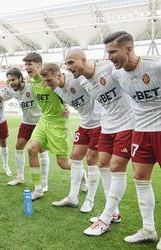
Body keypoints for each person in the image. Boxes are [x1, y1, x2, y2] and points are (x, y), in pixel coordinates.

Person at [64, 48, 135, 236]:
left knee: (116, 166)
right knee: (102, 163)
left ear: (83, 59)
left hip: (127, 123)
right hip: (107, 124)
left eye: (71, 62)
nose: (68, 67)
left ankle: (106, 217)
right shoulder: (80, 80)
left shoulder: (109, 69)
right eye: (66, 64)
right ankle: (115, 213)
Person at [103, 31, 161, 246]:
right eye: (107, 52)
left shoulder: (155, 65)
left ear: (128, 49)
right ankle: (148, 229)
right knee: (140, 178)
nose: (109, 57)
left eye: (113, 52)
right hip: (140, 130)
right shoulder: (116, 74)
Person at [42, 63, 103, 213]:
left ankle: (90, 200)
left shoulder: (76, 80)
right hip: (85, 125)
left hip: (100, 123)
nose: (47, 84)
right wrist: (66, 109)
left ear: (59, 75)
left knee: (91, 160)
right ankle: (72, 197)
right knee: (75, 157)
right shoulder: (56, 89)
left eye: (49, 80)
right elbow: (68, 98)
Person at [23, 53, 73, 201]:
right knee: (31, 149)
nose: (26, 68)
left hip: (58, 123)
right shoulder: (32, 82)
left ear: (39, 65)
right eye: (25, 65)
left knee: (63, 164)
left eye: (29, 64)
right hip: (43, 121)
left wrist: (67, 108)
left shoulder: (52, 79)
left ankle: (81, 174)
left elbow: (69, 92)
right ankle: (38, 188)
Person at [0, 67, 50, 188]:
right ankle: (20, 177)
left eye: (13, 79)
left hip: (40, 121)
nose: (11, 82)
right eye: (9, 80)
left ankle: (44, 183)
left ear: (20, 78)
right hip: (27, 122)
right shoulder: (11, 89)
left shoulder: (31, 86)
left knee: (41, 150)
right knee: (19, 146)